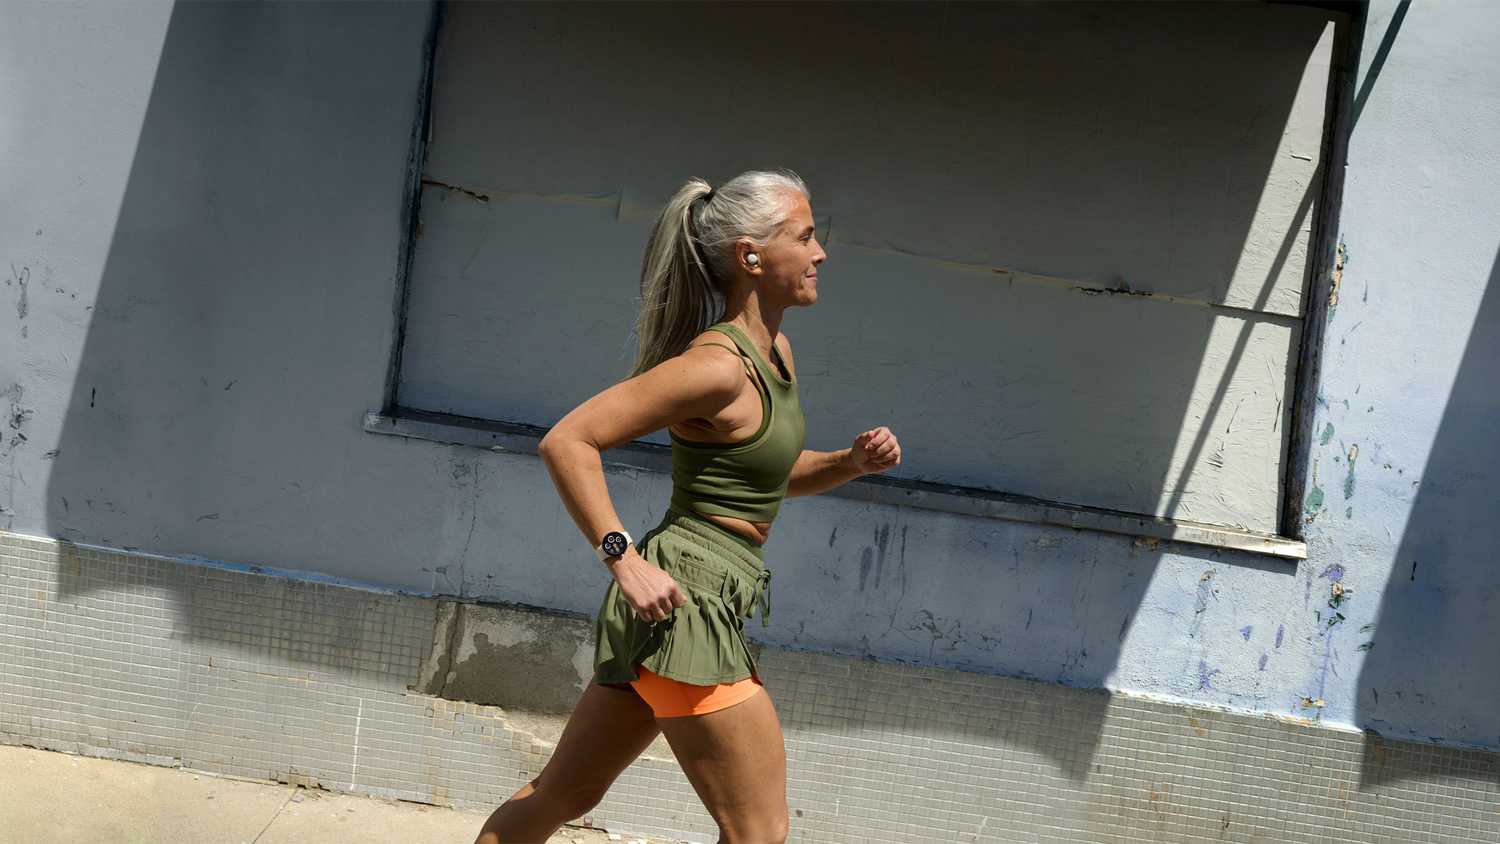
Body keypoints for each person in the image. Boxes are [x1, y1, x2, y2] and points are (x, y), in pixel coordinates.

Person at [475, 170, 902, 844]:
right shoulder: (717, 366)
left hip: (706, 594)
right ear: (751, 256)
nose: (820, 253)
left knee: (566, 792)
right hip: (685, 599)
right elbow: (569, 440)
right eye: (805, 236)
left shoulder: (775, 354)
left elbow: (766, 478)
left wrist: (850, 462)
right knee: (758, 832)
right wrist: (624, 560)